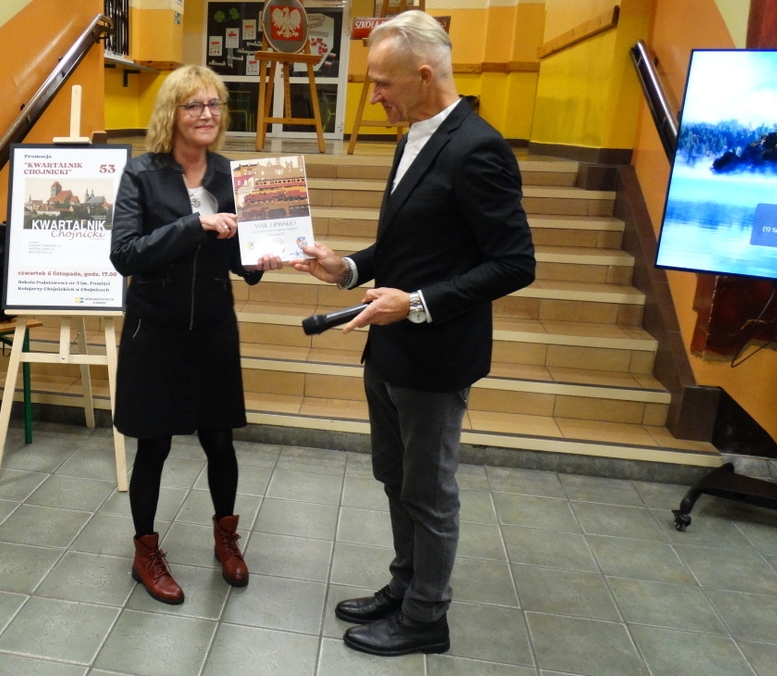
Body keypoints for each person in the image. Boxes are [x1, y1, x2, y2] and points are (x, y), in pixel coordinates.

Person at [292, 11, 536, 656]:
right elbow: (409, 245)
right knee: (395, 476)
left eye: (382, 83)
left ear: (424, 76)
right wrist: (347, 268)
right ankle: (406, 585)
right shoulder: (414, 138)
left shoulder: (478, 148)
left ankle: (427, 615)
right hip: (390, 347)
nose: (373, 96)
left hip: (437, 354)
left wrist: (419, 303)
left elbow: (515, 263)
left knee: (428, 490)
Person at [109, 65, 283, 605]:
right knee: (153, 445)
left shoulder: (233, 175)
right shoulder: (142, 174)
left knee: (220, 440)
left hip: (211, 325)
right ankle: (145, 553)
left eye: (214, 104)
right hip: (154, 327)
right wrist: (194, 225)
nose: (207, 114)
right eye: (194, 105)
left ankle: (226, 539)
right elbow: (126, 254)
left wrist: (259, 258)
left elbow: (237, 258)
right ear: (172, 113)